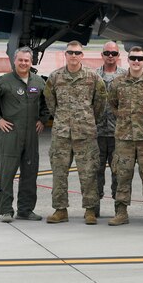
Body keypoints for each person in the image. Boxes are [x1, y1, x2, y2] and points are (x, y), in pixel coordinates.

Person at [0, 47, 49, 222]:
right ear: (14, 61)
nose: (23, 63)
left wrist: (42, 119)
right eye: (20, 60)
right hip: (11, 133)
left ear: (31, 62)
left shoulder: (38, 82)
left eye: (27, 60)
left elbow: (47, 102)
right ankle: (5, 210)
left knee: (30, 173)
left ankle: (26, 210)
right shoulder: (4, 81)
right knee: (7, 173)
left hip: (31, 136)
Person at [44, 41, 107, 225]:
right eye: (70, 52)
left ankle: (89, 210)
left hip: (85, 133)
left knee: (88, 173)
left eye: (77, 53)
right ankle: (60, 209)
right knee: (59, 173)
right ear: (65, 54)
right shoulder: (55, 77)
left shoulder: (93, 78)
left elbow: (100, 103)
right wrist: (62, 118)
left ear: (82, 55)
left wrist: (86, 119)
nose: (73, 56)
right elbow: (50, 102)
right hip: (62, 133)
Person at [107, 47, 143, 227]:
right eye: (133, 58)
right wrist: (125, 120)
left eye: (140, 58)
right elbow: (112, 105)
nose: (136, 61)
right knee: (122, 175)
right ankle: (121, 212)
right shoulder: (117, 83)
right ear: (128, 60)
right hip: (124, 137)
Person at [95, 41, 127, 218]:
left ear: (118, 56)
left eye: (113, 53)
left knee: (119, 173)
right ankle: (93, 208)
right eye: (107, 53)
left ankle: (119, 210)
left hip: (118, 134)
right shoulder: (93, 76)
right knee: (95, 172)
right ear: (102, 55)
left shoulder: (125, 76)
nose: (110, 56)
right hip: (98, 133)